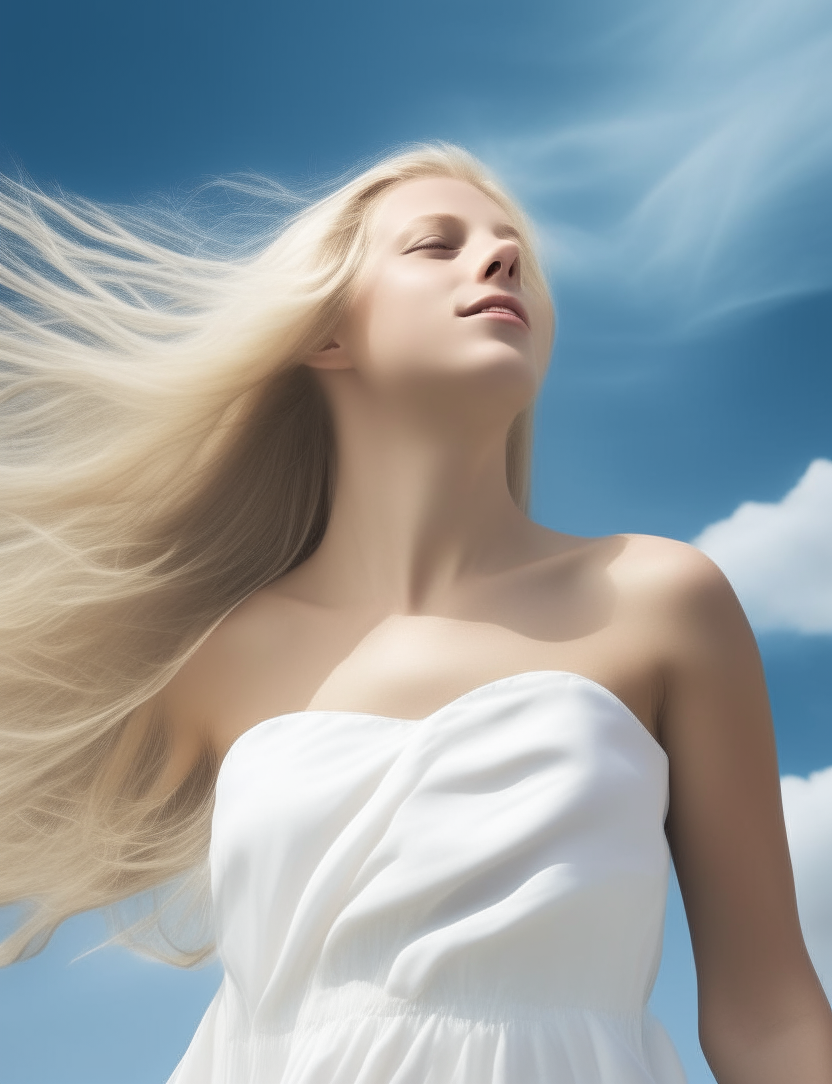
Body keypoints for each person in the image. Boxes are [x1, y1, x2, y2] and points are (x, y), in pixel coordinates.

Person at [0, 145, 830, 1083]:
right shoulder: (218, 656)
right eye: (436, 245)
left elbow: (767, 1013)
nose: (501, 259)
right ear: (326, 335)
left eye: (515, 251)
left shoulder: (659, 600)